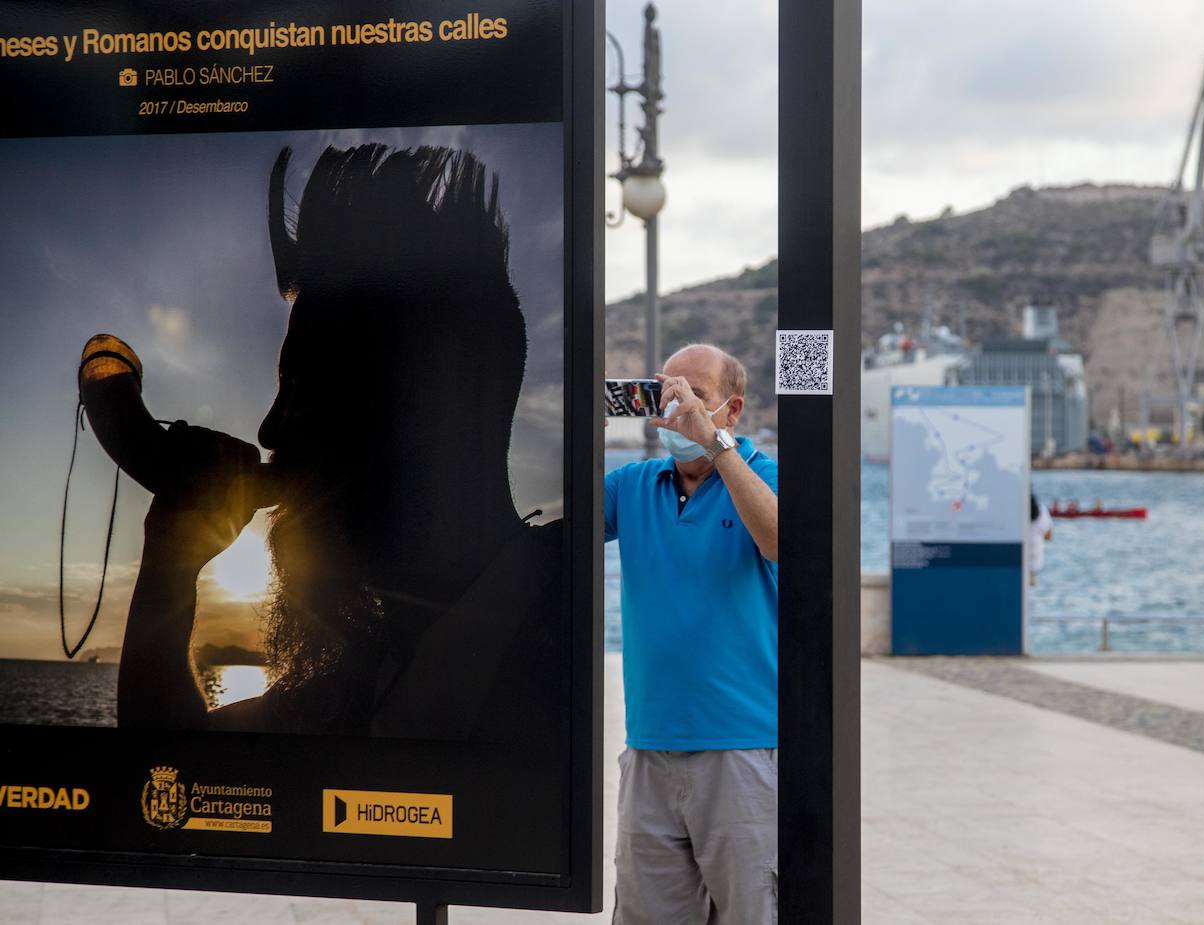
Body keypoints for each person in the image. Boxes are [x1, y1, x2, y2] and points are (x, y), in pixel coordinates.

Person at [117, 143, 563, 748]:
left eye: (307, 389)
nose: (270, 430)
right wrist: (170, 564)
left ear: (425, 411)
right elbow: (178, 774)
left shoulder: (568, 620)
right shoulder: (369, 670)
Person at [604, 344, 779, 925]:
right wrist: (573, 426)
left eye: (695, 395)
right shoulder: (633, 485)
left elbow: (781, 541)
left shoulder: (765, 476)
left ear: (733, 410)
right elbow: (544, 514)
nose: (678, 407)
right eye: (667, 391)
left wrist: (716, 446)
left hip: (742, 750)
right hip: (650, 748)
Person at [1028, 493, 1053, 586]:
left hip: (1014, 564)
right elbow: (1049, 537)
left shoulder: (1014, 507)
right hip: (1034, 564)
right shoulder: (1041, 510)